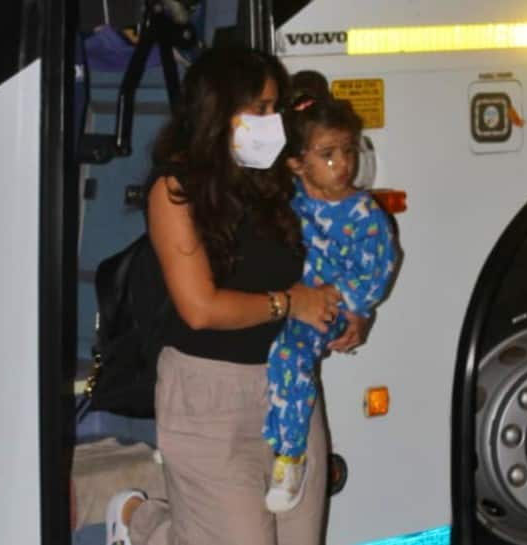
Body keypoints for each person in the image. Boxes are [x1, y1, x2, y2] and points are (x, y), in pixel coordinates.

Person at [104, 47, 368, 545]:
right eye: (261, 108)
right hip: (212, 398)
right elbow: (199, 308)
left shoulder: (281, 181)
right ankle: (140, 521)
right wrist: (291, 303)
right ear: (218, 110)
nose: (273, 120)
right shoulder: (175, 188)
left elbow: (323, 264)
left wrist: (346, 312)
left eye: (275, 108)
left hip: (291, 392)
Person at [263, 94, 398, 513]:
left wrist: (353, 308)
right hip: (287, 302)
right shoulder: (290, 203)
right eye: (327, 154)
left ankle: (290, 457)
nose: (342, 163)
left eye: (347, 151)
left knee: (291, 357)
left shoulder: (363, 213)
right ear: (296, 163)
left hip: (327, 312)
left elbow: (379, 265)